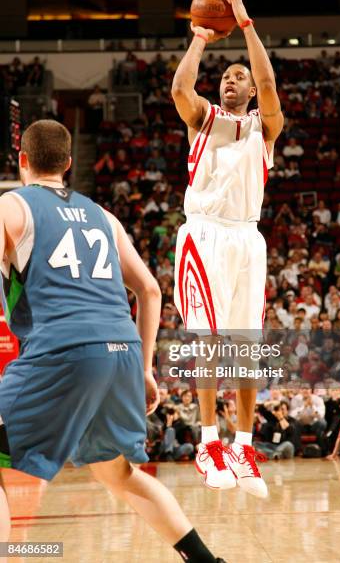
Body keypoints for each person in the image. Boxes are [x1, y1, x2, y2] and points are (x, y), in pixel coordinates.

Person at [0, 120, 226, 563]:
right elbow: (150, 290)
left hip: (61, 350)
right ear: (68, 164)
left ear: (22, 161)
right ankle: (205, 561)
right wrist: (143, 369)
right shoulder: (103, 216)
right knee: (118, 474)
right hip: (121, 352)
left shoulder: (11, 205)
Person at [171, 0, 283, 498]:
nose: (233, 81)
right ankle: (208, 442)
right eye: (227, 78)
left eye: (240, 77)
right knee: (209, 344)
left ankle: (242, 445)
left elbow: (267, 77)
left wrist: (245, 24)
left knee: (247, 349)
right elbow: (179, 89)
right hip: (206, 234)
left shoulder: (266, 128)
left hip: (247, 240)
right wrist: (199, 39)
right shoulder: (204, 119)